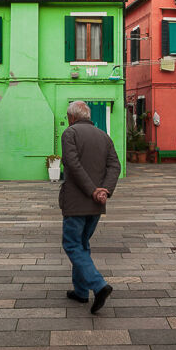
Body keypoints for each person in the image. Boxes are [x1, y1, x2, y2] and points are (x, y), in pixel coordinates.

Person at [59, 100, 121, 313]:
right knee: (82, 244)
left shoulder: (70, 133)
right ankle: (81, 291)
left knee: (72, 244)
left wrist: (92, 189)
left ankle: (98, 285)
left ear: (72, 117)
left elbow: (72, 164)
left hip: (77, 202)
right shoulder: (104, 136)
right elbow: (115, 165)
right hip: (96, 204)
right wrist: (104, 190)